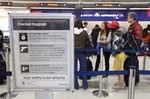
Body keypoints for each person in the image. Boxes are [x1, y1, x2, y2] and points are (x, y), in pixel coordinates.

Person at [124, 12, 143, 87]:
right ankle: (133, 80)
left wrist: (134, 50)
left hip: (133, 51)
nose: (127, 19)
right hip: (130, 51)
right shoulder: (132, 26)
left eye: (128, 17)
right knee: (131, 65)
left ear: (132, 18)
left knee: (132, 66)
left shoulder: (137, 27)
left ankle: (132, 81)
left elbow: (138, 41)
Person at [107, 21, 127, 89]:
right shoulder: (122, 32)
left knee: (120, 68)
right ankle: (119, 81)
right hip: (122, 52)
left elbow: (115, 46)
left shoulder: (116, 34)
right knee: (118, 67)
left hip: (119, 53)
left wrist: (114, 53)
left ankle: (121, 84)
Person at [74, 20, 91, 90]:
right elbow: (88, 42)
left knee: (74, 69)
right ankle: (85, 85)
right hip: (82, 52)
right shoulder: (84, 32)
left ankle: (76, 85)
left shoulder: (72, 32)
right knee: (83, 69)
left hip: (74, 52)